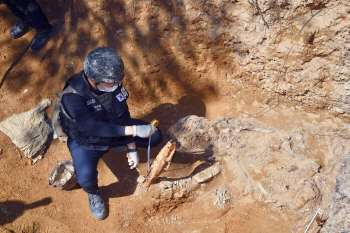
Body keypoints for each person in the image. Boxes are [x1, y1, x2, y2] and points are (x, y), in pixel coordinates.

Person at [58, 46, 163, 220]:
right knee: (85, 179)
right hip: (87, 140)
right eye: (112, 82)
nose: (116, 85)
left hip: (114, 129)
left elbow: (123, 115)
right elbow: (93, 127)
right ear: (94, 79)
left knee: (156, 136)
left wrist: (131, 146)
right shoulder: (72, 96)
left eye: (118, 81)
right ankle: (94, 193)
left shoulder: (112, 85)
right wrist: (135, 131)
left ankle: (116, 146)